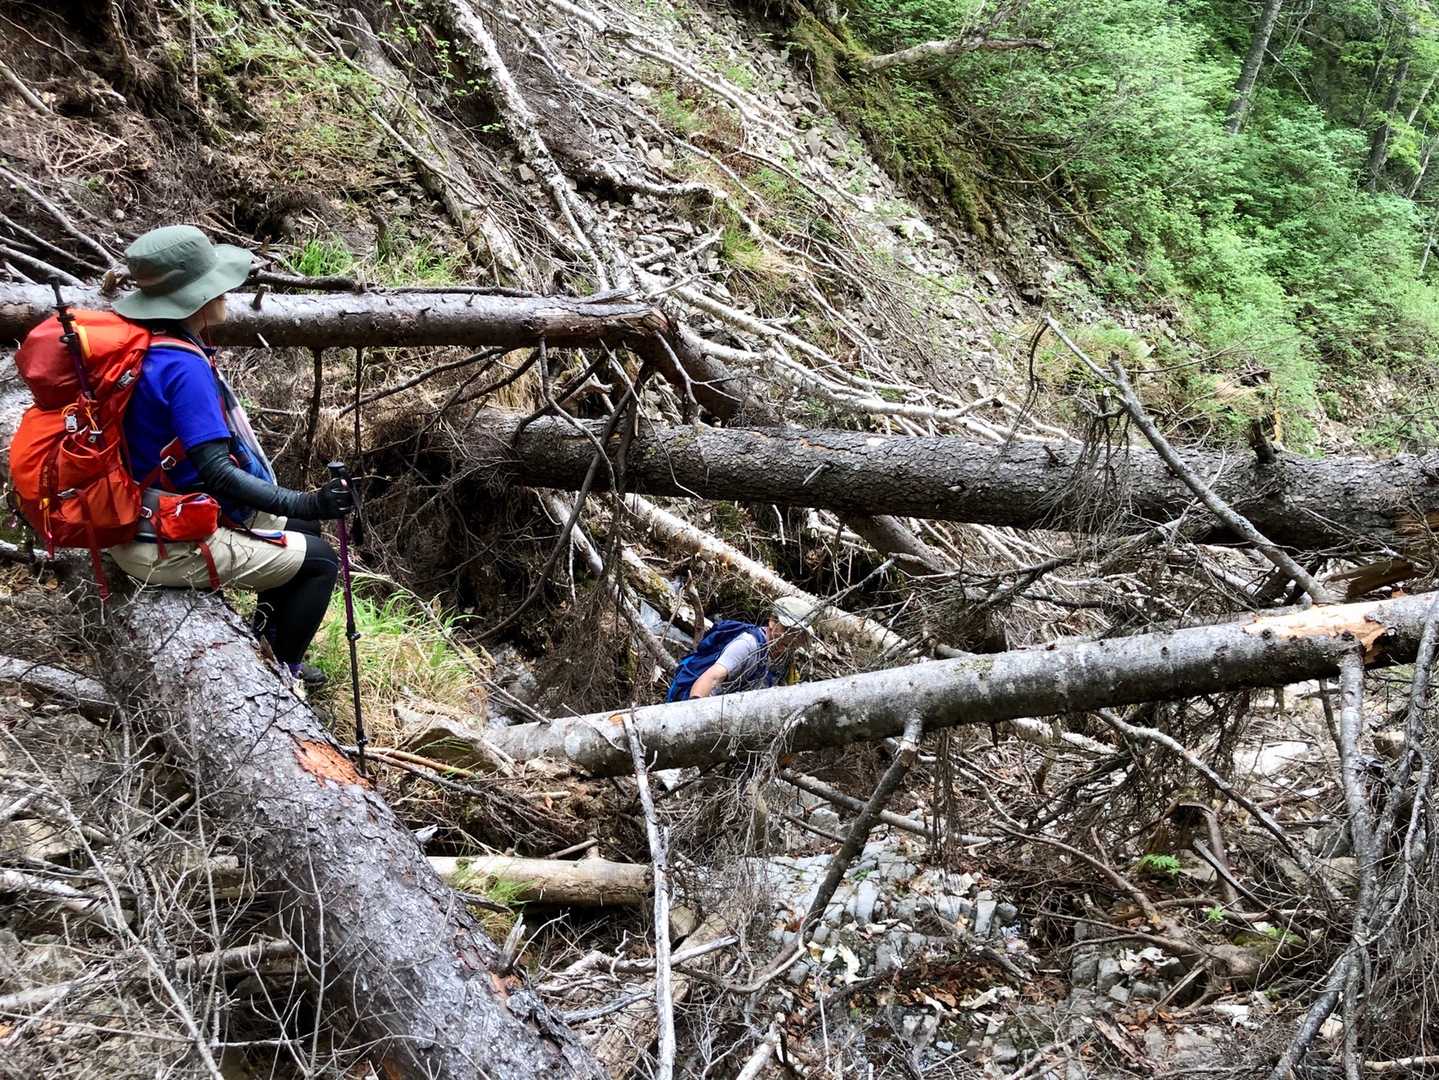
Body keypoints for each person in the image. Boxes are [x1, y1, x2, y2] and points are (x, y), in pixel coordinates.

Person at [105, 225, 353, 687]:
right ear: (197, 299)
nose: (227, 292)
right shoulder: (183, 367)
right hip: (157, 542)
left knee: (303, 530)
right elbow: (218, 473)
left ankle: (266, 638)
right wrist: (306, 500)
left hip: (140, 508)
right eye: (218, 285)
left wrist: (303, 512)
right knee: (320, 562)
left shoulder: (143, 343)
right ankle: (281, 676)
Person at [668, 596, 818, 702]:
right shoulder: (748, 645)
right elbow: (711, 678)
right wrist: (693, 716)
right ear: (772, 621)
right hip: (710, 706)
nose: (791, 638)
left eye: (798, 633)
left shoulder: (787, 656)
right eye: (787, 630)